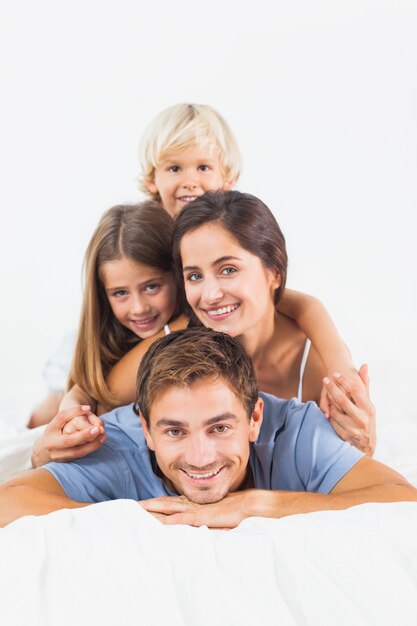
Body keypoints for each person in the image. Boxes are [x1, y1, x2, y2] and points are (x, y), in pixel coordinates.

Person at [1, 328, 415, 529]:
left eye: (219, 428)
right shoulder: (118, 444)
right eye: (174, 432)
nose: (200, 458)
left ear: (254, 419)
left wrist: (254, 505)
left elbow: (401, 498)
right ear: (145, 429)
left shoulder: (297, 432)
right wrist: (125, 515)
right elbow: (8, 500)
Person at [108, 190, 375, 454]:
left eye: (228, 270)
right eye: (195, 276)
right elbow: (108, 394)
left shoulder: (319, 369)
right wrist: (76, 402)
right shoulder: (181, 339)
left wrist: (364, 445)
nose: (210, 295)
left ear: (274, 273)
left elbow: (356, 460)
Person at [30, 200, 187, 466]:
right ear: (104, 295)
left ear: (177, 276)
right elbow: (82, 389)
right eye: (121, 293)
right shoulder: (107, 330)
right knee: (39, 417)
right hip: (62, 377)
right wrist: (72, 410)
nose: (139, 308)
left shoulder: (189, 324)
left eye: (151, 287)